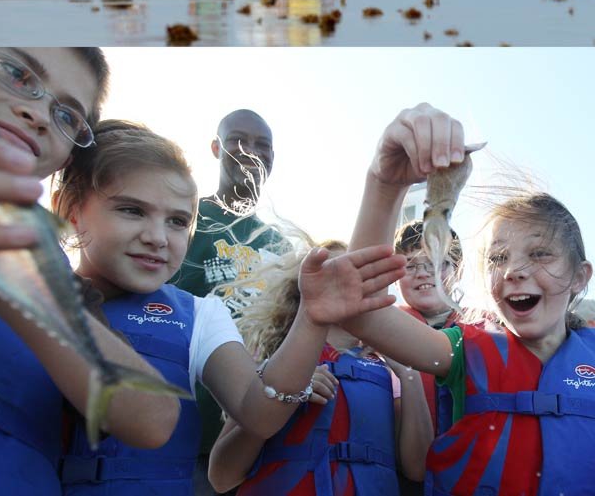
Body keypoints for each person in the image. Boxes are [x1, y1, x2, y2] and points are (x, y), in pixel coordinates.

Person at [51, 118, 404, 494]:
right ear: (70, 209)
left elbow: (258, 410)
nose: (156, 237)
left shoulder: (202, 313)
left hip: (206, 446)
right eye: (131, 211)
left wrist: (311, 317)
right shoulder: (22, 292)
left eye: (176, 221)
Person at [347, 102, 595, 496]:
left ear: (580, 277)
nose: (513, 270)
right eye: (498, 258)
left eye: (540, 253)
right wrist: (384, 181)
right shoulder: (461, 350)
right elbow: (358, 309)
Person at [0, 48, 182, 496]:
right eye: (14, 73)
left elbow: (152, 419)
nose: (37, 112)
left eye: (66, 115)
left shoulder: (53, 275)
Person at [208, 240, 433, 494]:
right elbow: (221, 476)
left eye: (358, 270)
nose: (348, 278)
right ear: (304, 289)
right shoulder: (275, 362)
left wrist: (408, 373)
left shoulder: (389, 369)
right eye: (334, 271)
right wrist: (285, 393)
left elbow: (417, 468)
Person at [173, 108, 290, 494]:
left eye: (264, 144)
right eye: (239, 140)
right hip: (187, 438)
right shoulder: (183, 220)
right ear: (215, 148)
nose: (252, 151)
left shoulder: (282, 244)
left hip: (259, 442)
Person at [394, 222, 465, 496]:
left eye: (436, 262)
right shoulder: (375, 334)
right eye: (410, 265)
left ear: (457, 271)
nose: (423, 273)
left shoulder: (490, 328)